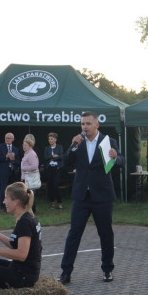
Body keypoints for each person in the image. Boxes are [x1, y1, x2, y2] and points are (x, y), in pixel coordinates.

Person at [59, 111, 121, 284]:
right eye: (82, 124)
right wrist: (73, 146)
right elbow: (65, 163)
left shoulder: (108, 141)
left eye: (87, 123)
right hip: (81, 196)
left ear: (96, 125)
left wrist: (116, 157)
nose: (84, 127)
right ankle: (66, 271)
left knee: (106, 234)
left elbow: (122, 160)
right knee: (74, 234)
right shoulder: (77, 142)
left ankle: (107, 269)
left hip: (102, 196)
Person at [0, 132, 21, 212]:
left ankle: (12, 206)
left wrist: (13, 160)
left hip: (12, 171)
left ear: (13, 139)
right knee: (4, 189)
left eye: (9, 138)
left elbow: (18, 161)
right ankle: (3, 206)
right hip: (3, 171)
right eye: (6, 138)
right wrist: (6, 157)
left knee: (12, 190)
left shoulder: (16, 149)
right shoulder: (0, 147)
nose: (7, 139)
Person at [43, 132, 65, 210]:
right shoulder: (47, 148)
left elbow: (61, 157)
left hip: (57, 168)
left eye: (51, 139)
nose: (50, 140)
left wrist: (53, 158)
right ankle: (52, 203)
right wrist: (53, 156)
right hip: (49, 169)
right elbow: (45, 158)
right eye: (49, 139)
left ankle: (60, 203)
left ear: (55, 139)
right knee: (50, 186)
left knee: (56, 186)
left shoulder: (59, 147)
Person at [20, 134, 40, 212]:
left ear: (30, 146)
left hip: (30, 178)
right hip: (26, 177)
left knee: (30, 195)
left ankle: (32, 211)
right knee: (28, 195)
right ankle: (29, 210)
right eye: (23, 145)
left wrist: (24, 168)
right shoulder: (27, 153)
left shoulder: (31, 154)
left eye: (25, 145)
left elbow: (34, 166)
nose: (23, 147)